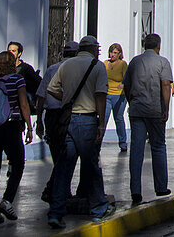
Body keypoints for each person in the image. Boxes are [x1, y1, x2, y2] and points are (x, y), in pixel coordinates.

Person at [46, 35, 113, 229]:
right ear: (93, 49)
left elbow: (51, 89)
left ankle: (56, 211)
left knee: (63, 167)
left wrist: (66, 99)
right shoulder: (97, 66)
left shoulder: (66, 66)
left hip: (68, 120)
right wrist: (101, 123)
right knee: (91, 165)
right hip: (87, 119)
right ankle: (98, 207)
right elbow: (100, 95)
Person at [0, 50, 32, 226]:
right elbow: (23, 103)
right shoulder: (17, 79)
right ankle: (7, 200)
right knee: (18, 164)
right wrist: (29, 127)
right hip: (11, 125)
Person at [123, 33, 173, 206]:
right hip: (155, 110)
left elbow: (126, 85)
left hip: (137, 110)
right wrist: (165, 108)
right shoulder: (162, 62)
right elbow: (166, 85)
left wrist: (132, 101)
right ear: (158, 46)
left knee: (136, 149)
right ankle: (161, 186)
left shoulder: (135, 62)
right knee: (158, 146)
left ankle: (135, 190)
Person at [35, 41, 80, 205]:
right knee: (66, 155)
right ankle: (54, 189)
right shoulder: (75, 70)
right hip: (67, 114)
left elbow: (41, 96)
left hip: (51, 116)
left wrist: (39, 120)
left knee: (58, 154)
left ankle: (60, 190)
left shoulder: (51, 69)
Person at [104, 43, 128, 153]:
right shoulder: (105, 63)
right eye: (111, 52)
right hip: (107, 95)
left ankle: (123, 142)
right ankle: (98, 142)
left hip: (119, 95)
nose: (112, 55)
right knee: (104, 118)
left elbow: (126, 79)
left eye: (115, 53)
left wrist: (123, 85)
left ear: (119, 54)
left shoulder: (123, 64)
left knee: (118, 118)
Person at [6, 42, 41, 111]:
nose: (10, 53)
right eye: (9, 51)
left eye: (13, 51)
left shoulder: (26, 68)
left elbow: (38, 83)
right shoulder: (4, 68)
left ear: (19, 53)